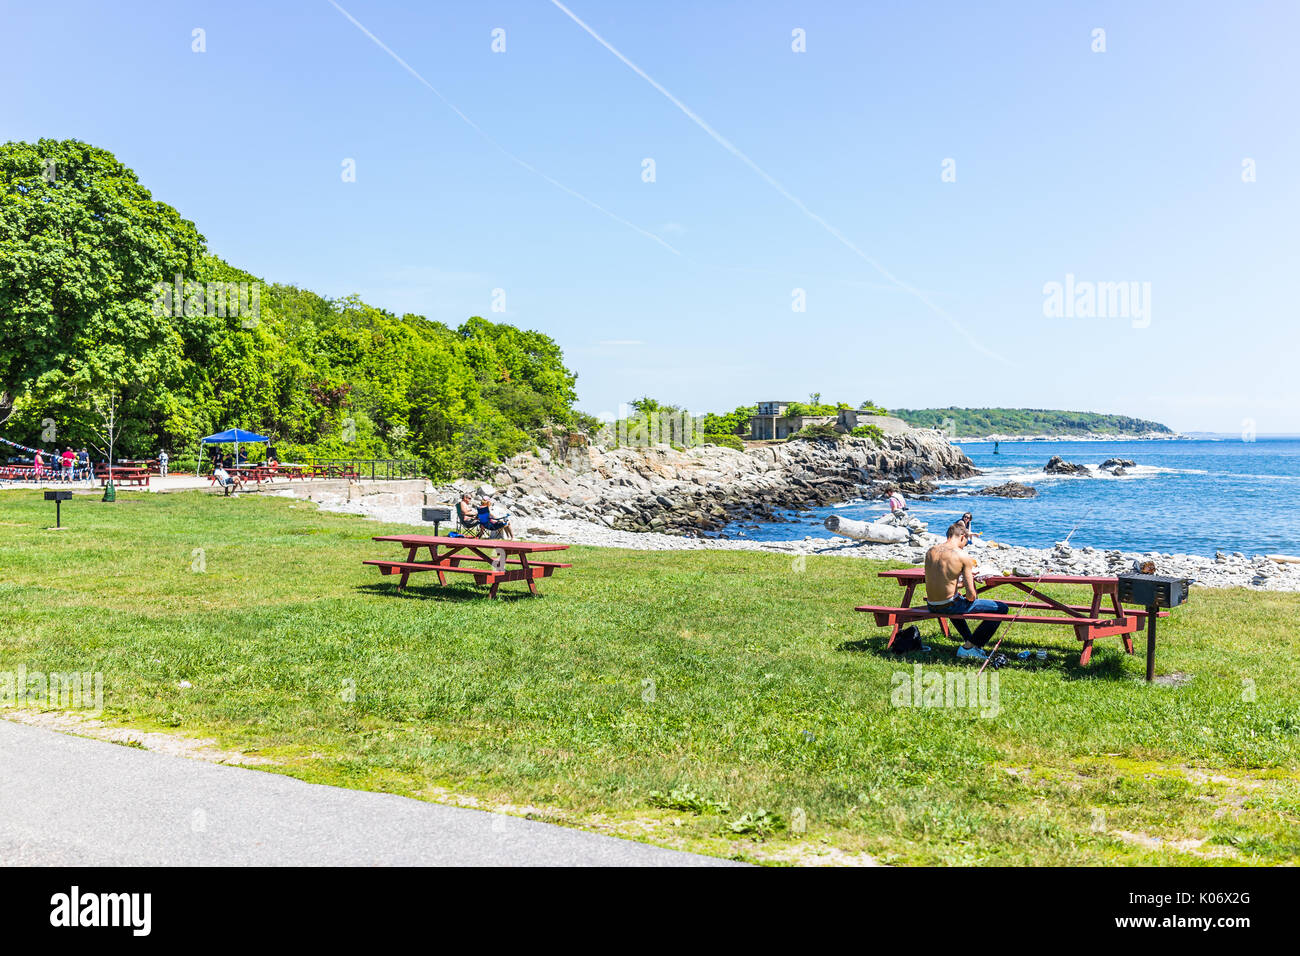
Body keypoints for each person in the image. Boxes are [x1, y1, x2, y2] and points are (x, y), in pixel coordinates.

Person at [924, 522, 1009, 660]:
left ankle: (971, 644)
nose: (966, 544)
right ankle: (969, 647)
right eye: (967, 541)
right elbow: (971, 597)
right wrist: (972, 581)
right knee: (1001, 608)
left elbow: (943, 580)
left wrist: (961, 584)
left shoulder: (930, 551)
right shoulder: (962, 556)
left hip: (932, 605)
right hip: (950, 606)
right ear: (962, 536)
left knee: (956, 601)